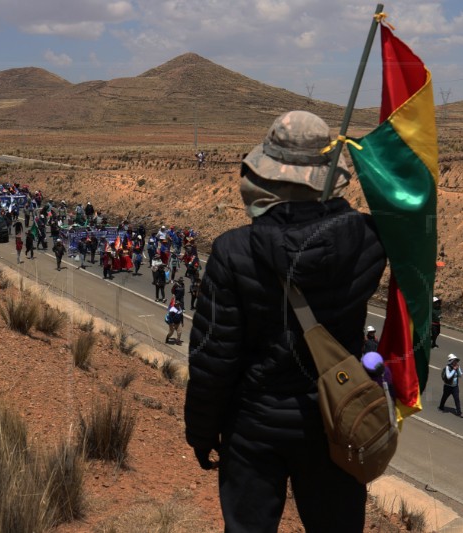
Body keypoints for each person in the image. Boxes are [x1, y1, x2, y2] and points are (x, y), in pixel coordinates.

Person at [184, 110, 386, 532]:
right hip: (337, 420)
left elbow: (213, 359)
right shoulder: (368, 240)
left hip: (253, 429)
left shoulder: (233, 252)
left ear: (267, 174)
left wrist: (202, 432)